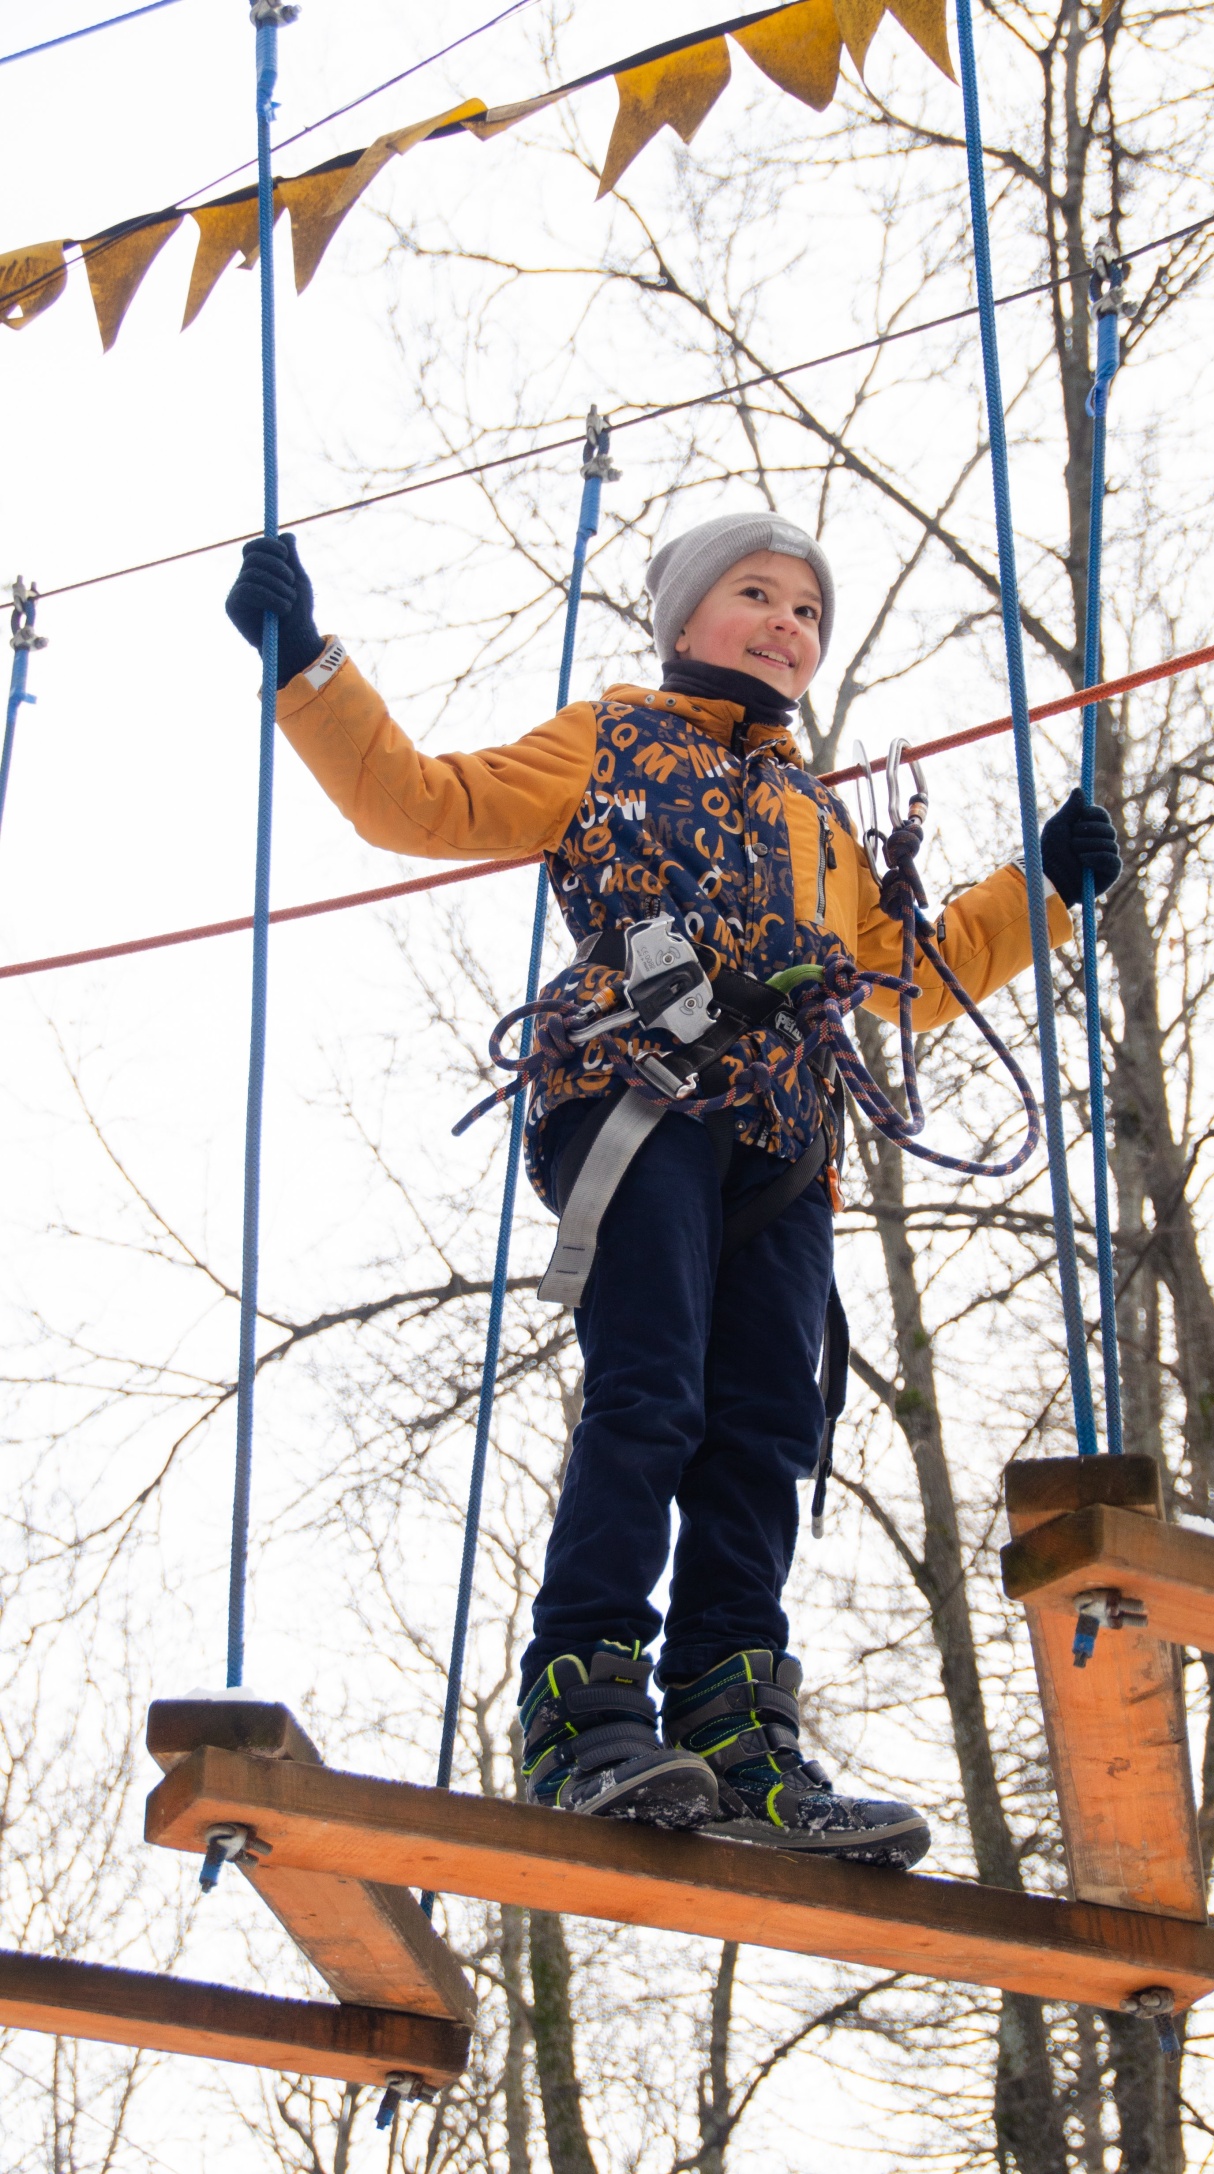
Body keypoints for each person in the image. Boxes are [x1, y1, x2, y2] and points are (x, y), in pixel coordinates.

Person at [225, 511, 1121, 1869]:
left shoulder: (819, 816)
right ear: (687, 616)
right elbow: (421, 801)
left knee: (765, 1423)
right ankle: (583, 1704)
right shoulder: (614, 740)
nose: (785, 626)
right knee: (653, 1391)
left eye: (809, 610)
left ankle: (736, 1720)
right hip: (640, 1094)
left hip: (786, 1136)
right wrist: (310, 666)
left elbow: (913, 974)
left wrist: (1043, 891)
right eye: (756, 594)